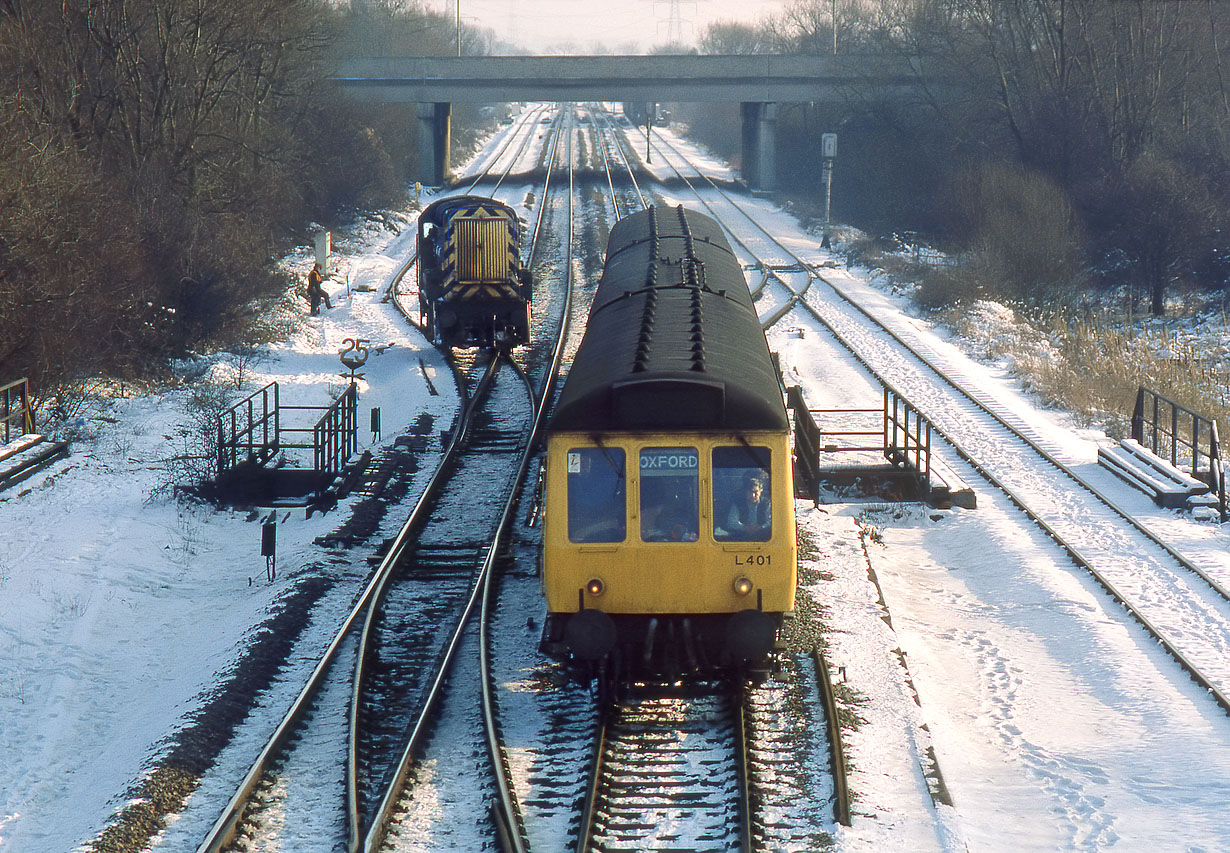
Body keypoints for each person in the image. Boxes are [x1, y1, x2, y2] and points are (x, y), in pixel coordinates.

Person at [724, 474, 771, 540]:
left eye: (755, 492)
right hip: (742, 538)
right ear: (745, 492)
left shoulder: (767, 503)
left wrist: (761, 527)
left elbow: (772, 521)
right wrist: (745, 528)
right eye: (750, 492)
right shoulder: (738, 504)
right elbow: (731, 522)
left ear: (761, 491)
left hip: (763, 538)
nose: (752, 495)